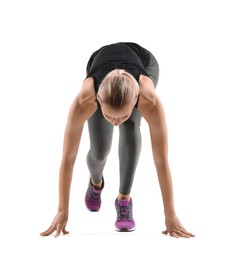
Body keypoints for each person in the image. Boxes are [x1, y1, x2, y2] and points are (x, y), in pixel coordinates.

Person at [40, 42, 195, 238]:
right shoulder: (84, 100)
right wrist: (62, 210)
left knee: (131, 126)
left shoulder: (150, 101)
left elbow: (161, 161)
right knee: (99, 151)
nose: (115, 123)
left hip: (144, 62)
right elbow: (68, 159)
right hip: (99, 60)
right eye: (110, 117)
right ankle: (96, 184)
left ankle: (124, 200)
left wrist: (170, 215)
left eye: (120, 116)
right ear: (98, 98)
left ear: (137, 99)